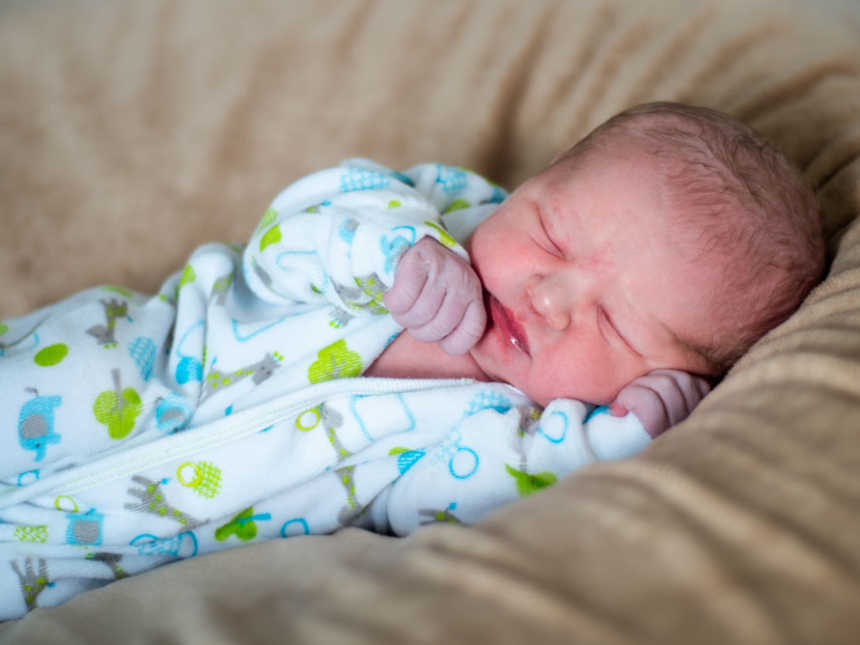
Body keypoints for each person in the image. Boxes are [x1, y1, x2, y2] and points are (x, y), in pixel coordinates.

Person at [0, 102, 824, 617]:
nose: (546, 293)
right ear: (525, 190)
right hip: (114, 370)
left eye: (610, 322)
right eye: (549, 235)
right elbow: (290, 236)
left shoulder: (503, 426)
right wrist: (393, 250)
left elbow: (441, 502)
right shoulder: (432, 218)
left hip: (86, 549)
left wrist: (612, 439)